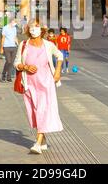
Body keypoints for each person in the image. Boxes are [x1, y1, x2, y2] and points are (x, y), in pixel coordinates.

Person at [14, 19, 64, 154]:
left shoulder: (48, 45)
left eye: (36, 26)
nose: (33, 29)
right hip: (29, 84)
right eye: (31, 27)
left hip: (46, 83)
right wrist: (25, 66)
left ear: (42, 30)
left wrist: (58, 71)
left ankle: (37, 143)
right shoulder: (24, 45)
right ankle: (43, 141)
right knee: (34, 113)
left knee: (42, 111)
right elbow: (16, 63)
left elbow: (60, 56)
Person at [0, 18, 18, 82]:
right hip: (6, 46)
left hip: (14, 47)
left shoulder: (14, 28)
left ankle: (9, 77)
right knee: (8, 61)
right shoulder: (5, 28)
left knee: (11, 63)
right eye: (15, 21)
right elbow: (3, 38)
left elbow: (15, 37)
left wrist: (17, 44)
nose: (15, 23)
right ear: (11, 21)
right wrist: (1, 48)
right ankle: (3, 75)